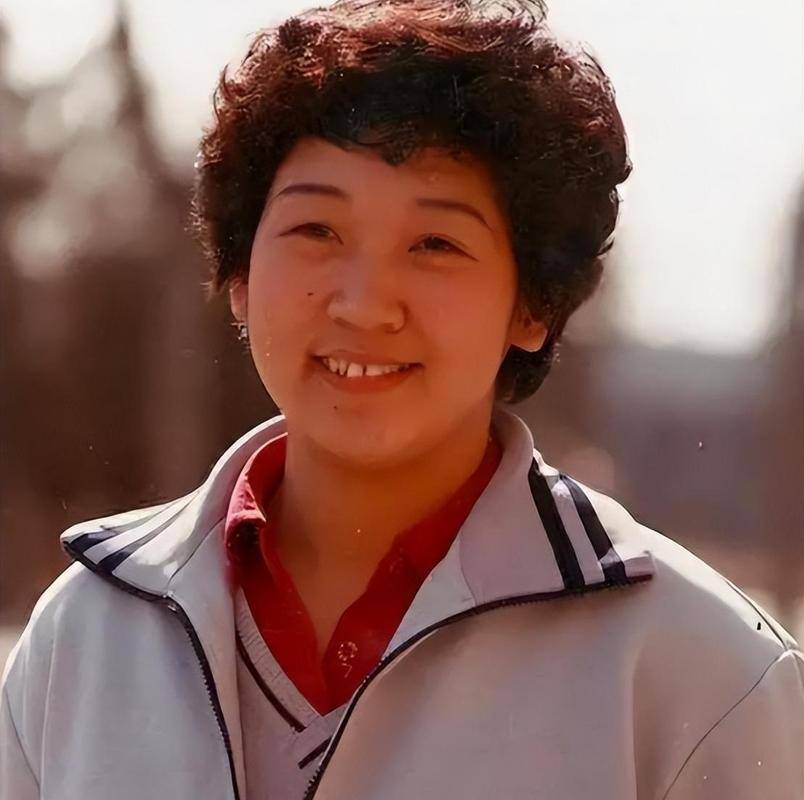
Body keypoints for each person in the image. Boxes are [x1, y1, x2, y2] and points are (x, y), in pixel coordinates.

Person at [2, 0, 802, 797]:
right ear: (241, 274)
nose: (364, 305)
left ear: (533, 305)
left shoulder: (701, 676)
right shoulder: (85, 637)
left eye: (435, 244)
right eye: (317, 230)